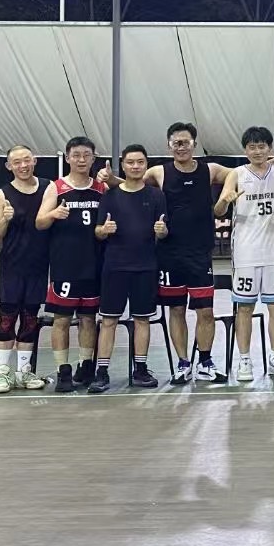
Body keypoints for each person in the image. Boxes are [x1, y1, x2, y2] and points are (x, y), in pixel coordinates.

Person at [146, 122, 233, 384]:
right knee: (176, 310)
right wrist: (109, 180)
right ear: (169, 145)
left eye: (186, 142)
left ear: (194, 144)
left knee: (205, 311)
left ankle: (205, 362)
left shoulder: (210, 170)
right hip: (169, 254)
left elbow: (239, 173)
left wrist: (226, 195)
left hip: (200, 254)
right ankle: (183, 363)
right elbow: (132, 182)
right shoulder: (159, 172)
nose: (181, 147)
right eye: (176, 143)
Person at [215, 126, 274, 381]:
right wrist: (226, 200)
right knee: (245, 308)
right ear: (245, 150)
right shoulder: (237, 174)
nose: (257, 151)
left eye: (262, 146)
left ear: (269, 148)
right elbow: (218, 211)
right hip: (246, 252)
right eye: (252, 147)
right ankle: (245, 360)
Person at [89, 145, 168, 393]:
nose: (135, 166)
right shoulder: (110, 196)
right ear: (122, 165)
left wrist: (162, 231)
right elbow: (97, 231)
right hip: (115, 267)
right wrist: (104, 230)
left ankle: (141, 369)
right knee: (109, 320)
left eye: (140, 162)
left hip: (145, 267)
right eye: (130, 162)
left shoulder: (156, 196)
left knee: (142, 319)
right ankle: (101, 372)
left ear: (146, 165)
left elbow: (163, 231)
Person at [36, 136, 107, 393]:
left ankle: (85, 366)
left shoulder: (101, 188)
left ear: (93, 158)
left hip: (94, 263)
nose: (81, 160)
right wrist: (54, 214)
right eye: (76, 155)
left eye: (86, 155)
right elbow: (39, 222)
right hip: (65, 264)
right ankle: (62, 370)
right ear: (67, 158)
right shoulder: (56, 188)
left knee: (88, 318)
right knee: (62, 320)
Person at [0, 146, 51, 392]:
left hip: (38, 265)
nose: (23, 165)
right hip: (12, 265)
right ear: (9, 166)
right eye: (17, 162)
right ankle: (3, 372)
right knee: (7, 318)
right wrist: (5, 218)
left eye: (26, 160)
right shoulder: (1, 195)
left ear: (34, 160)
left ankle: (23, 372)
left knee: (30, 319)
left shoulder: (48, 188)